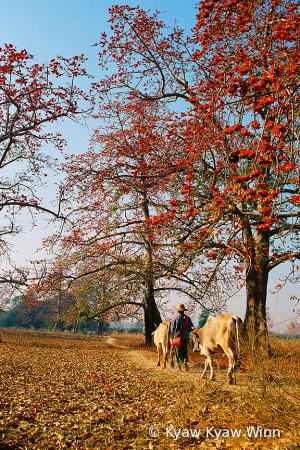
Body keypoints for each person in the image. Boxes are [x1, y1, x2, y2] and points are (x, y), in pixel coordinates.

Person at [171, 303, 194, 372]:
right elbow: (191, 328)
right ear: (184, 311)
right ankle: (185, 361)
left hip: (177, 339)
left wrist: (175, 334)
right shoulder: (188, 319)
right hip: (185, 338)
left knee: (177, 353)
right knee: (184, 351)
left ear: (178, 311)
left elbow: (173, 329)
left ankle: (179, 367)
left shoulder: (176, 319)